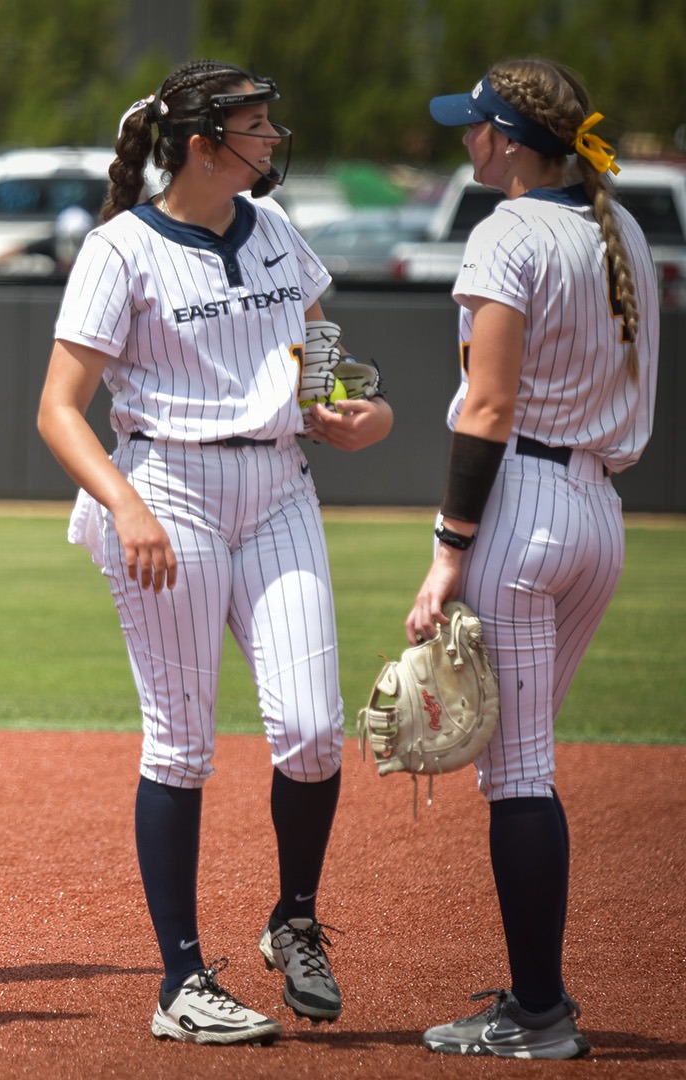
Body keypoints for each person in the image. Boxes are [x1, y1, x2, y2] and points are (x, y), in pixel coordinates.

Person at [35, 60, 394, 1044]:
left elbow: (316, 350)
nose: (273, 139)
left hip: (278, 484)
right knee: (183, 744)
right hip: (168, 491)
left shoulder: (275, 231)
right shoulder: (121, 250)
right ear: (202, 144)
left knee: (316, 731)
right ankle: (182, 982)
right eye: (256, 126)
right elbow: (59, 410)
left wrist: (341, 410)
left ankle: (295, 921)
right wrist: (125, 503)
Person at [406, 59, 656, 1061]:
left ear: (509, 138)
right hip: (599, 506)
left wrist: (446, 551)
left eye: (474, 126)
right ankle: (536, 987)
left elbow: (491, 405)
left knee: (517, 774)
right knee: (527, 764)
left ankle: (540, 1013)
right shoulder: (620, 226)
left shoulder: (508, 230)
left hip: (525, 509)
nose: (465, 138)